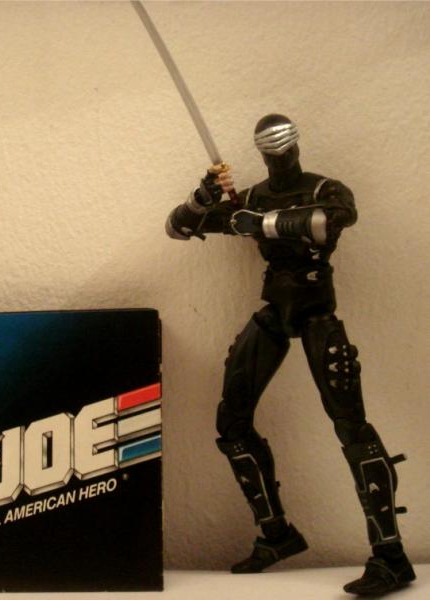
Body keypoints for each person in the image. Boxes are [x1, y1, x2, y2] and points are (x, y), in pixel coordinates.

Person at [166, 114, 415, 595]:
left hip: (318, 312)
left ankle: (391, 555)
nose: (280, 158)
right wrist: (203, 198)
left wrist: (259, 223)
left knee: (352, 428)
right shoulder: (254, 196)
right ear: (261, 154)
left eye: (284, 150)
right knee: (232, 421)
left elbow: (332, 220)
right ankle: (276, 534)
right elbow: (178, 228)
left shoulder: (324, 188)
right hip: (274, 312)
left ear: (297, 147)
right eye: (271, 152)